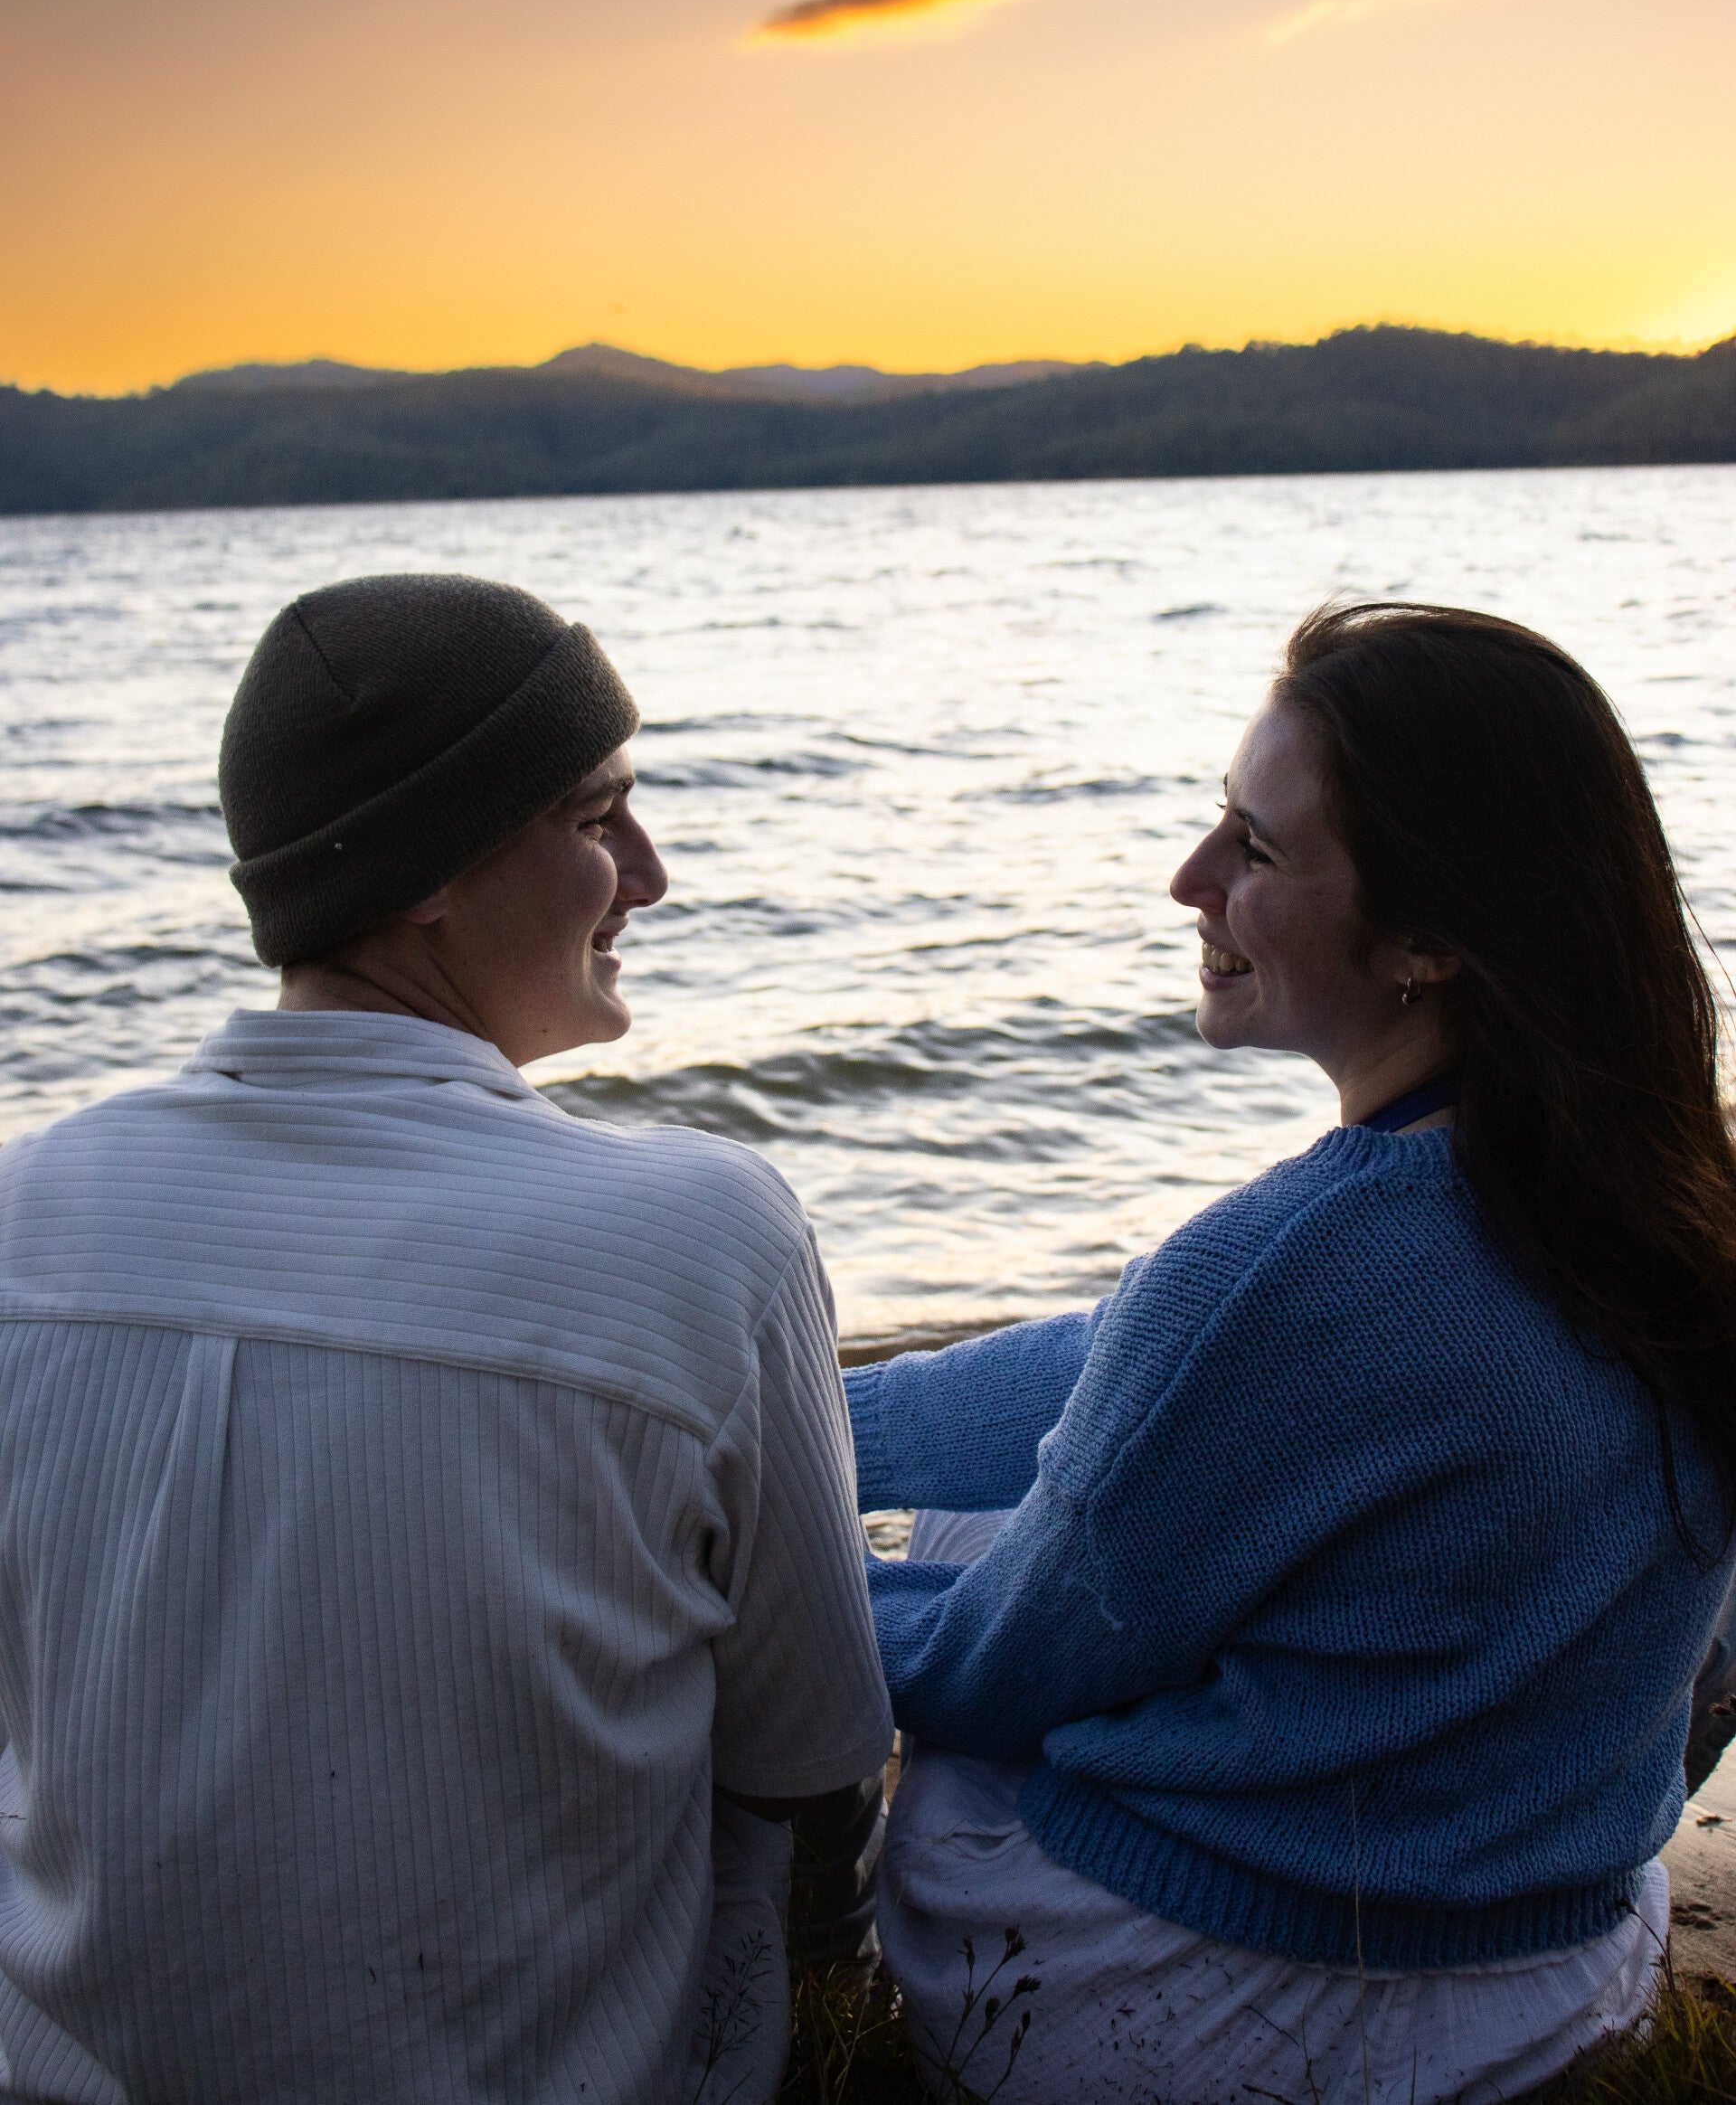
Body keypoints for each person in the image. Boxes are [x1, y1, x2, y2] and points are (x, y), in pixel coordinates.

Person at [0, 572, 892, 2105]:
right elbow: (812, 1758)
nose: (651, 871)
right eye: (598, 816)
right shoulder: (703, 1233)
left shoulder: (29, 1210)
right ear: (427, 871)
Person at [846, 602, 1736, 2105]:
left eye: (1253, 849)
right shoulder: (1668, 1209)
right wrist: (779, 1415)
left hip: (1218, 2010)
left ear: (1430, 939)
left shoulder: (1290, 1266)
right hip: (1561, 1974)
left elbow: (985, 1672)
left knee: (947, 1553)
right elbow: (1142, 1363)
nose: (1188, 878)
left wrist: (749, 1563)